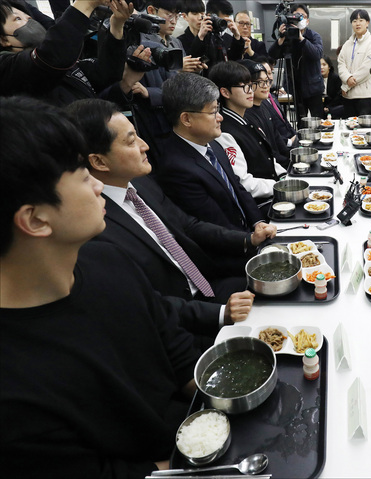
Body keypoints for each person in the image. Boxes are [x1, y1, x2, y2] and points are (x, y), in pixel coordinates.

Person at [0, 95, 200, 476]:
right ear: (36, 219)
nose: (98, 186)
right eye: (82, 174)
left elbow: (180, 356)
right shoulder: (13, 390)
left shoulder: (108, 260)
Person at [67, 98, 260, 338]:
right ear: (98, 161)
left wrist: (249, 239)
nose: (144, 145)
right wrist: (220, 314)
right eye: (131, 141)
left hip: (208, 286)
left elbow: (188, 226)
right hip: (179, 325)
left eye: (138, 135)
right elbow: (145, 301)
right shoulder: (96, 224)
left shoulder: (140, 183)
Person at [154, 72, 273, 236]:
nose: (220, 118)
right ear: (186, 119)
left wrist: (258, 222)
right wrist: (250, 240)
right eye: (213, 112)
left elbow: (237, 187)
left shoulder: (213, 144)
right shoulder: (176, 168)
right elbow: (213, 224)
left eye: (218, 110)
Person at [0, 0, 136, 106]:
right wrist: (86, 4)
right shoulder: (6, 67)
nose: (29, 20)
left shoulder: (65, 61)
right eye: (17, 18)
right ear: (3, 39)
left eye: (29, 17)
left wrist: (117, 26)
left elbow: (106, 73)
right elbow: (51, 58)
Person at [209, 61, 285, 202]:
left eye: (250, 85)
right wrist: (279, 186)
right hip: (262, 202)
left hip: (273, 190)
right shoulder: (224, 132)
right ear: (225, 92)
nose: (250, 90)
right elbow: (243, 183)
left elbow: (268, 159)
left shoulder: (246, 119)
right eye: (243, 86)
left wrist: (286, 175)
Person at [269, 3, 324, 118]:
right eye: (295, 15)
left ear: (307, 20)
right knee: (300, 121)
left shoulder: (314, 36)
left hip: (313, 87)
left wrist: (301, 38)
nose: (299, 17)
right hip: (295, 86)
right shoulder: (287, 35)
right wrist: (281, 38)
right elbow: (272, 56)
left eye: (302, 15)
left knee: (318, 120)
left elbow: (317, 54)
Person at [242, 59, 291, 168]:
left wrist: (292, 159)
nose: (265, 85)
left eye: (267, 80)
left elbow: (278, 141)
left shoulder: (264, 105)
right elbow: (267, 153)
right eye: (259, 82)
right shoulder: (247, 114)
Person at [337, 8, 371, 117]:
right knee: (349, 129)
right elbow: (341, 63)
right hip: (348, 97)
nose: (357, 23)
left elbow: (367, 69)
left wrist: (346, 86)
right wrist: (347, 78)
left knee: (362, 130)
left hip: (365, 96)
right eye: (354, 21)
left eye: (361, 20)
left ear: (367, 23)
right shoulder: (347, 44)